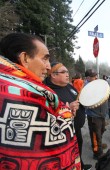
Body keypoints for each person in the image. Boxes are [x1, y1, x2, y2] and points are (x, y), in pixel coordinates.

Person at [0, 33, 80, 169]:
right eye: (45, 59)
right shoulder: (21, 95)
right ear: (25, 58)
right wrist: (66, 113)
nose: (48, 67)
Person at [43, 62, 92, 170]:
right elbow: (46, 115)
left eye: (67, 72)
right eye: (63, 72)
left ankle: (81, 165)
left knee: (78, 147)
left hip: (76, 128)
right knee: (67, 155)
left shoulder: (70, 87)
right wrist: (67, 108)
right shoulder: (47, 92)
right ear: (53, 75)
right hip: (62, 134)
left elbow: (78, 101)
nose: (67, 74)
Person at [84, 69, 108, 160]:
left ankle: (98, 144)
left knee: (101, 131)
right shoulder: (87, 88)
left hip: (101, 114)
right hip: (94, 116)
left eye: (96, 75)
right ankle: (98, 153)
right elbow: (86, 102)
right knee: (95, 134)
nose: (96, 77)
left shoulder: (97, 84)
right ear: (87, 78)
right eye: (93, 76)